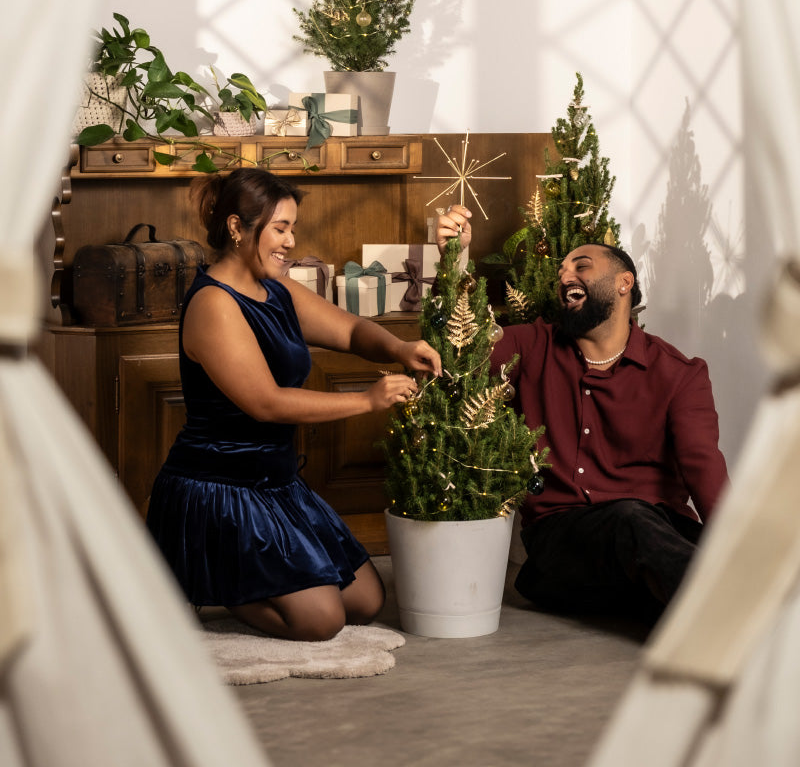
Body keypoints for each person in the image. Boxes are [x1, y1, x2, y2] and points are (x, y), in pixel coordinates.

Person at [146, 168, 441, 641]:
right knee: (321, 621)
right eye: (280, 228)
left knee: (366, 600)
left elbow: (348, 330)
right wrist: (366, 400)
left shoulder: (276, 290)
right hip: (219, 490)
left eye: (292, 228)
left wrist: (399, 349)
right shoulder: (213, 304)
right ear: (237, 228)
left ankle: (245, 577)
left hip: (276, 483)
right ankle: (207, 576)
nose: (289, 241)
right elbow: (266, 403)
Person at [436, 204, 729, 625]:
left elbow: (705, 468)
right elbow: (457, 352)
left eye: (582, 266)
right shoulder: (530, 346)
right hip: (564, 540)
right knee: (631, 520)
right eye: (561, 273)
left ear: (624, 282)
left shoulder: (680, 374)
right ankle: (740, 631)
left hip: (656, 533)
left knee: (707, 551)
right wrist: (453, 262)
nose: (565, 277)